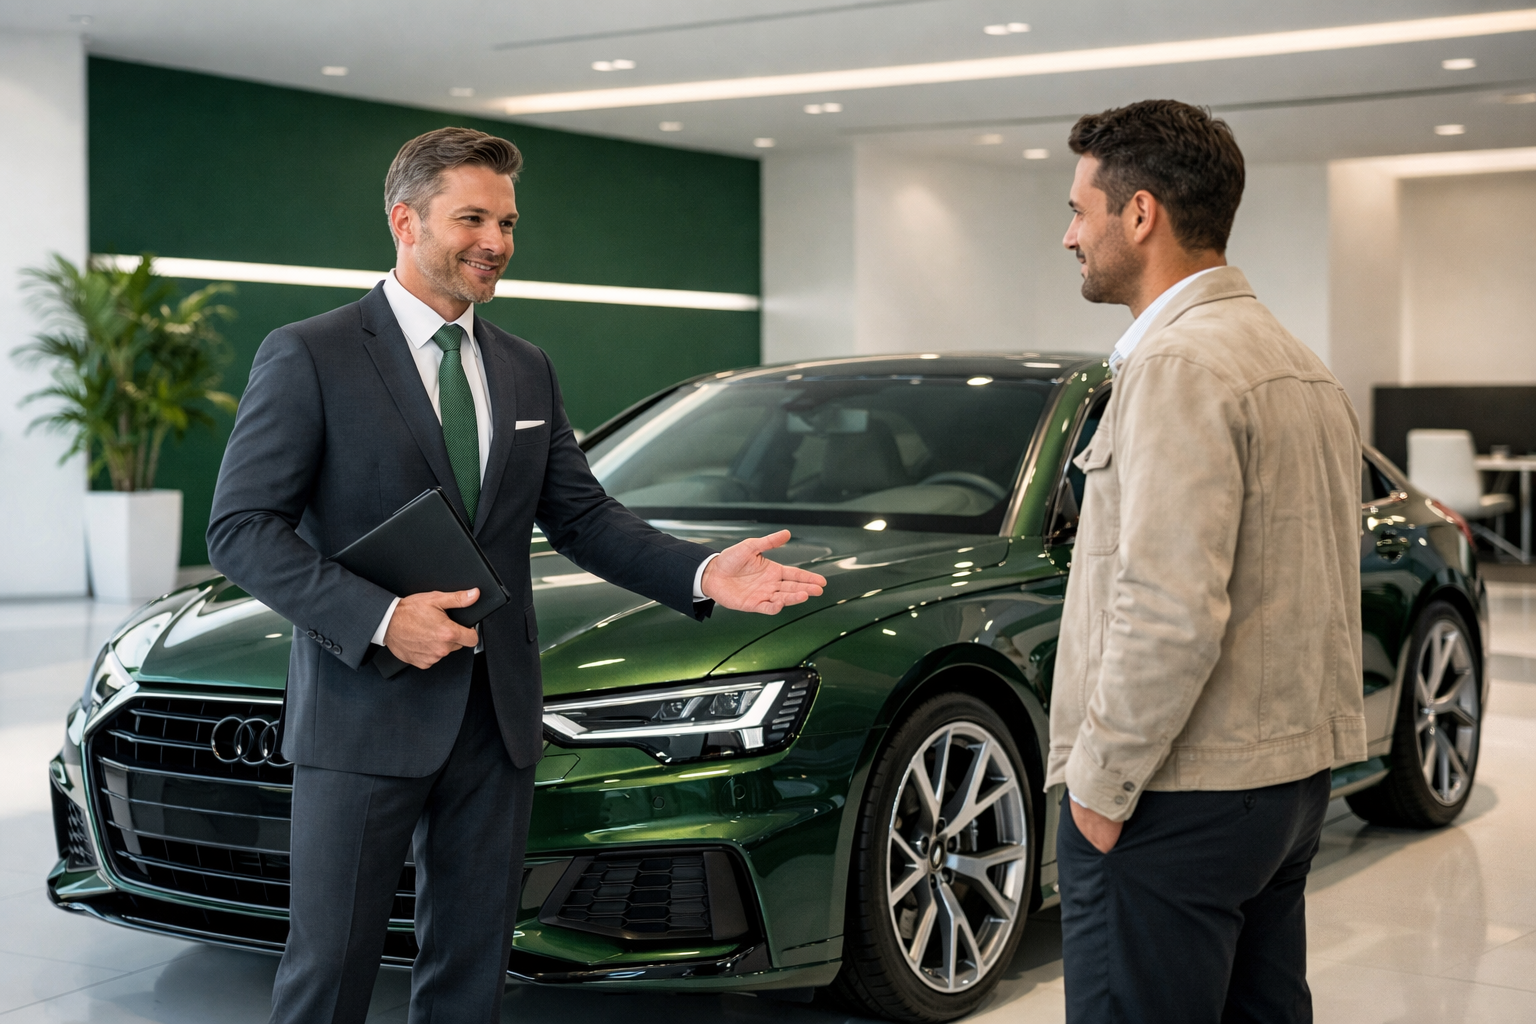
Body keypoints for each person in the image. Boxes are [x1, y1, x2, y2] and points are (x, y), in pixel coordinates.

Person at [206, 126, 826, 1024]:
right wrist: (381, 619)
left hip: (497, 718)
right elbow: (241, 529)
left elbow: (584, 519)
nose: (495, 242)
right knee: (330, 969)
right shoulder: (311, 353)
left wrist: (699, 573)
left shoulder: (524, 367)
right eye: (472, 218)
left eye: (506, 221)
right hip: (362, 714)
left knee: (471, 967)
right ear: (404, 221)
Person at [1048, 99, 1364, 1023]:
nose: (1070, 236)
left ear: (1139, 215)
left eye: (1080, 210)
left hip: (1174, 795)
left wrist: (1101, 792)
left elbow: (1168, 605)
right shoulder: (1294, 359)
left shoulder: (1180, 366)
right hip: (1282, 790)